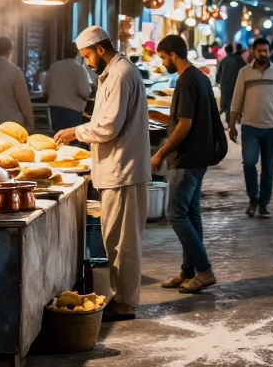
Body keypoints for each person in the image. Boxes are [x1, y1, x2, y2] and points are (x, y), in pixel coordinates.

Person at [54, 26, 149, 320]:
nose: (86, 61)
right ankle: (121, 297)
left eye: (86, 56)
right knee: (115, 240)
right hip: (115, 169)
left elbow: (109, 126)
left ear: (99, 48)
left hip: (123, 170)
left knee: (124, 242)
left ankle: (126, 302)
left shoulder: (121, 75)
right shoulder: (113, 73)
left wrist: (75, 132)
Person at [151, 34, 220, 293]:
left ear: (173, 54)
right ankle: (188, 271)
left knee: (176, 214)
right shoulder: (200, 78)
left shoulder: (186, 80)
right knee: (191, 213)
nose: (162, 63)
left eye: (163, 57)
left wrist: (160, 153)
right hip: (199, 157)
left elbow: (185, 124)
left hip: (187, 158)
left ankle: (204, 270)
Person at [229, 37, 273, 217]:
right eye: (260, 51)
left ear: (269, 51)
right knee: (249, 162)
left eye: (266, 50)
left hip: (272, 128)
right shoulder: (244, 72)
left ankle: (264, 204)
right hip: (250, 127)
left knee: (268, 168)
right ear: (253, 51)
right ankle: (253, 197)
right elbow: (237, 100)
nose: (263, 54)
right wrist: (232, 125)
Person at [43, 41, 93, 132]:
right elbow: (85, 92)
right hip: (72, 109)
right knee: (71, 138)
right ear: (77, 53)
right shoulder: (79, 69)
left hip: (55, 108)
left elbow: (45, 90)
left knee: (57, 137)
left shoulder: (54, 66)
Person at [216, 42, 246, 126]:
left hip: (225, 85)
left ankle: (229, 121)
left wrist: (218, 81)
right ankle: (238, 119)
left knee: (228, 104)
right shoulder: (239, 59)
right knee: (237, 102)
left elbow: (218, 73)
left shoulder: (224, 60)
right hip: (236, 84)